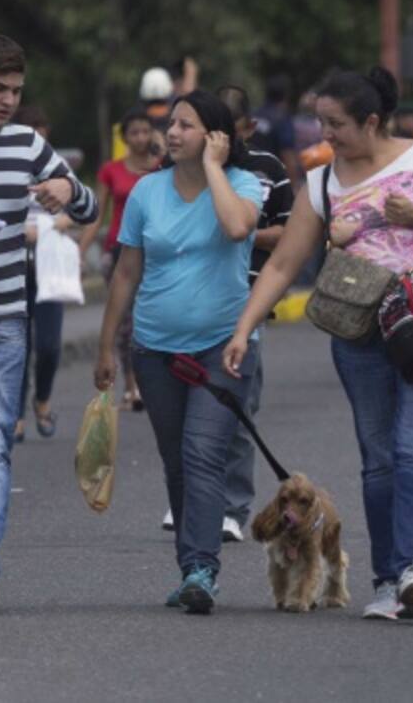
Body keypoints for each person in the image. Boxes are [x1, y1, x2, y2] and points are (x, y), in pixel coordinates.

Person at [221, 67, 413, 622]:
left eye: (336, 124)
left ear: (371, 121)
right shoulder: (321, 182)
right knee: (379, 461)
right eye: (321, 122)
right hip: (360, 338)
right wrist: (243, 329)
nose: (326, 134)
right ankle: (387, 581)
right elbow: (283, 264)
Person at [94, 89, 264, 614]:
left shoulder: (242, 183)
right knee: (176, 461)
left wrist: (214, 166)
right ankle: (190, 562)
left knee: (202, 453)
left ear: (215, 137)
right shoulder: (147, 192)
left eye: (186, 125)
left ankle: (201, 569)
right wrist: (106, 348)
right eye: (171, 123)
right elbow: (127, 272)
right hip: (155, 350)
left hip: (223, 347)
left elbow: (238, 227)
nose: (171, 133)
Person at [0, 34, 98, 615]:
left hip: (3, 324)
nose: (8, 101)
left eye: (16, 90)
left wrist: (67, 188)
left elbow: (87, 207)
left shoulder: (27, 145)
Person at [162, 85, 292, 543]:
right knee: (183, 412)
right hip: (182, 309)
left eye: (230, 132)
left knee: (234, 408)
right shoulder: (175, 173)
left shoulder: (261, 172)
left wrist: (240, 227)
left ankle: (233, 506)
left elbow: (284, 234)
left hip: (246, 301)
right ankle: (194, 498)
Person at [79, 108, 155, 410]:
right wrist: (80, 249)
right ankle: (132, 385)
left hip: (154, 251)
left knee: (148, 319)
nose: (140, 138)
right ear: (124, 138)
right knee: (125, 321)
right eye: (134, 132)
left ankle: (153, 382)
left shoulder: (161, 167)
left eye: (145, 131)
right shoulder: (112, 170)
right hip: (118, 250)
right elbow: (96, 215)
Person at [12, 106, 78, 443]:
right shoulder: (7, 167)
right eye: (30, 129)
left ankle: (43, 399)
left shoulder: (58, 169)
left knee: (49, 345)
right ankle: (17, 414)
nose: (38, 136)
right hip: (14, 265)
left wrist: (46, 228)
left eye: (42, 129)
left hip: (49, 264)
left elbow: (78, 213)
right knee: (16, 344)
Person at [250, 74, 301, 185]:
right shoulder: (282, 119)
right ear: (286, 96)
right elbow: (288, 155)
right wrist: (294, 187)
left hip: (248, 177)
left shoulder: (253, 116)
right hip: (271, 180)